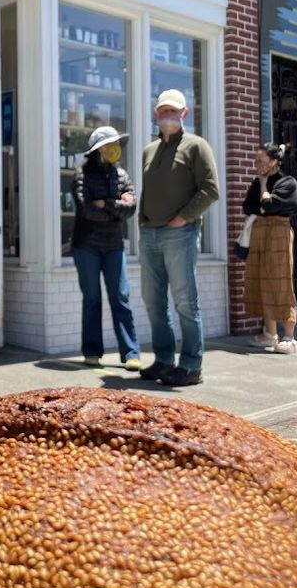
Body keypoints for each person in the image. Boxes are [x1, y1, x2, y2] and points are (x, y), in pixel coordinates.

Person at [138, 89, 219, 386]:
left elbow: (210, 189)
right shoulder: (149, 150)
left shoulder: (196, 146)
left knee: (185, 301)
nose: (168, 115)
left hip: (180, 233)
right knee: (152, 301)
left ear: (184, 113)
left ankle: (191, 365)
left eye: (174, 111)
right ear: (156, 114)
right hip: (150, 235)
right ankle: (163, 360)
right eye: (163, 111)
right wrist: (143, 223)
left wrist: (182, 218)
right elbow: (148, 192)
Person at [71, 126, 141, 369]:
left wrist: (107, 204)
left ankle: (131, 353)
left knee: (120, 296)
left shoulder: (122, 175)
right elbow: (86, 210)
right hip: (86, 246)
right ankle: (92, 352)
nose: (115, 149)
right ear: (97, 150)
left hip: (113, 246)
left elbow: (131, 208)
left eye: (117, 144)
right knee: (92, 298)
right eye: (110, 144)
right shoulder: (81, 175)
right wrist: (117, 207)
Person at [242, 142, 297, 354]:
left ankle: (289, 336)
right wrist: (263, 197)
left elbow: (268, 205)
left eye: (261, 161)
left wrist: (265, 189)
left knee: (281, 280)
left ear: (275, 161)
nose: (257, 165)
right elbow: (248, 207)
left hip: (279, 231)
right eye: (255, 161)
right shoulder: (256, 183)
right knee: (261, 279)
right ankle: (269, 334)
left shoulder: (288, 182)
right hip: (260, 232)